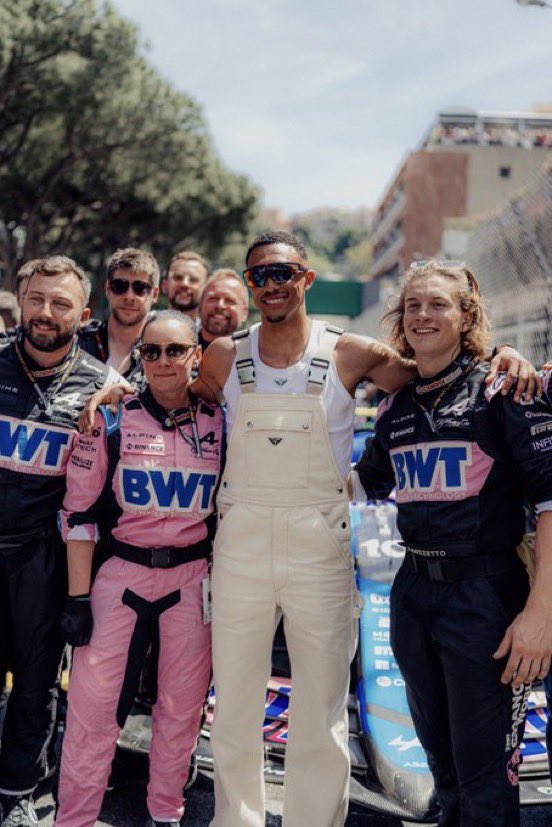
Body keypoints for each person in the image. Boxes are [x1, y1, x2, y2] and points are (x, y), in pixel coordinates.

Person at [81, 232, 536, 827]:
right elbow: (168, 396)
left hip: (321, 550)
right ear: (250, 286)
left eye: (283, 272)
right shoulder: (222, 355)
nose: (271, 284)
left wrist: (506, 359)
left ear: (307, 278)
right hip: (241, 545)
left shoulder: (352, 353)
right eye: (259, 276)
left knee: (321, 711)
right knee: (236, 704)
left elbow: (441, 370)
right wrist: (119, 389)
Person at [351, 260, 552, 826]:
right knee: (442, 768)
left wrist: (542, 612)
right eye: (412, 305)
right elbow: (363, 483)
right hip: (413, 594)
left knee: (486, 777)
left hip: (486, 596)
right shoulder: (396, 408)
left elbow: (549, 501)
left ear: (467, 316)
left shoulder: (504, 388)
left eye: (437, 304)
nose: (421, 315)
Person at [55, 310, 223, 827]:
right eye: (152, 351)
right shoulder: (109, 418)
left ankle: (166, 814)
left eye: (176, 350)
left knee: (181, 710)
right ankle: (75, 819)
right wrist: (77, 600)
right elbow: (78, 513)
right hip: (121, 574)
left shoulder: (223, 419)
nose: (164, 361)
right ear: (139, 358)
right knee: (92, 710)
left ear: (197, 355)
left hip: (193, 578)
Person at [0, 256, 119, 827]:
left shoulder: (104, 386)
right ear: (20, 301)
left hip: (44, 557)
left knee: (36, 682)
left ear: (85, 313)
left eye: (61, 302)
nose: (46, 312)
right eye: (36, 298)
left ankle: (17, 791)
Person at [78, 247, 160, 380]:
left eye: (140, 288)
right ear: (108, 289)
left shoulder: (163, 352)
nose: (129, 296)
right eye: (120, 286)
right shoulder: (78, 343)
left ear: (155, 294)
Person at [198, 268, 249, 351]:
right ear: (200, 305)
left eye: (229, 300)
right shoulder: (181, 348)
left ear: (244, 313)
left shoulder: (255, 354)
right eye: (213, 298)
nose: (220, 305)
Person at [162, 251, 209, 325]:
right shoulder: (142, 328)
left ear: (205, 290)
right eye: (178, 277)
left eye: (193, 280)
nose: (185, 284)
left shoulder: (212, 335)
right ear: (164, 285)